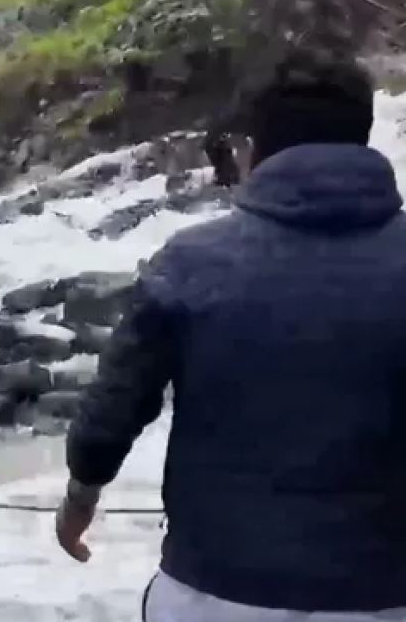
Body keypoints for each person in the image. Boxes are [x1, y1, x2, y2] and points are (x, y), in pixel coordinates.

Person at [55, 51, 406, 620]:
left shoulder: (192, 262)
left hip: (214, 593)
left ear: (254, 147)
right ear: (363, 136)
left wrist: (80, 498)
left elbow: (116, 405)